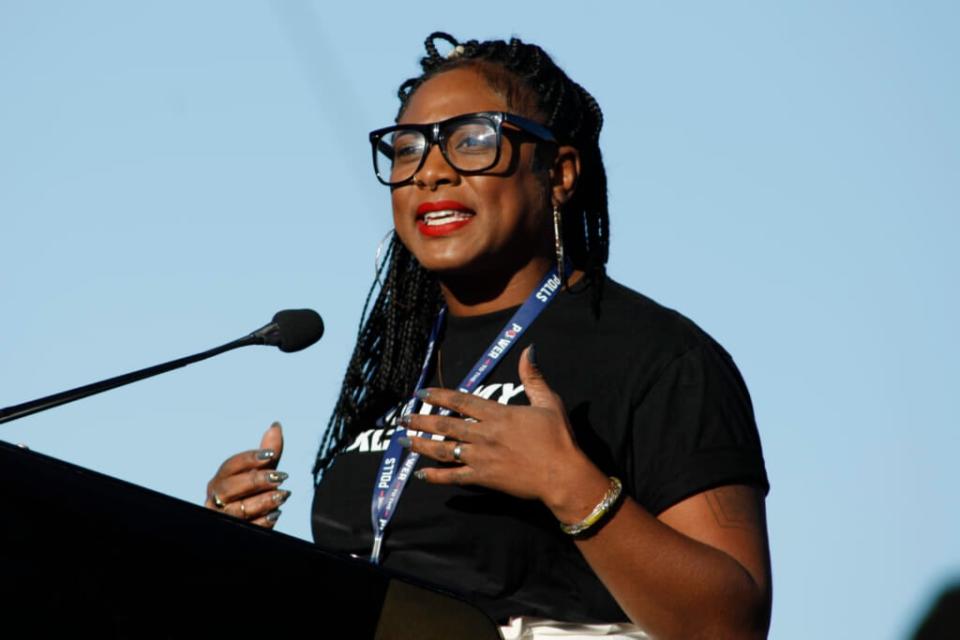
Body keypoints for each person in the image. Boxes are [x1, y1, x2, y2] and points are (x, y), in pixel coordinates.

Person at [205, 33, 772, 638]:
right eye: (406, 149)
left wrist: (571, 486)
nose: (431, 171)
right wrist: (232, 543)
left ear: (559, 172)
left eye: (473, 140)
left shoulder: (658, 355)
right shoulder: (401, 362)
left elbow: (729, 624)